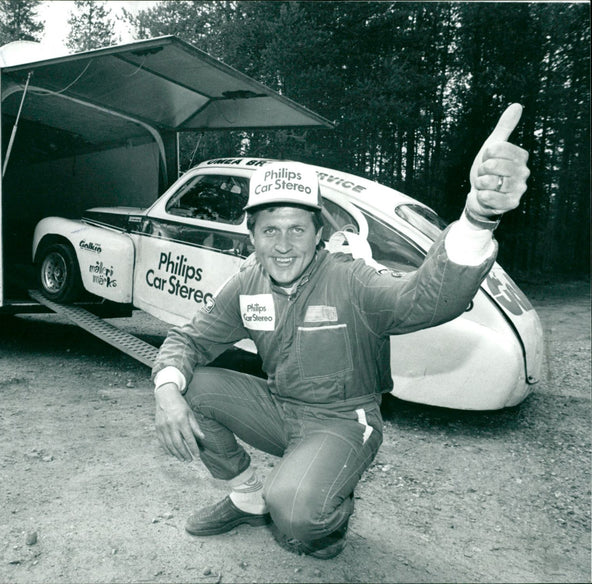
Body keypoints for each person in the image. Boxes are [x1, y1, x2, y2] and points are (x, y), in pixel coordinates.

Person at [151, 104, 531, 559]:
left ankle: (326, 507)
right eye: (270, 230)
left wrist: (477, 216)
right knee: (189, 385)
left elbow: (427, 299)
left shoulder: (352, 279)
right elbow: (188, 339)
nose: (284, 244)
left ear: (318, 233)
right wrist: (166, 392)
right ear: (251, 237)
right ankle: (246, 499)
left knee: (296, 511)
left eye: (297, 228)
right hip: (280, 409)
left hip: (342, 420)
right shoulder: (247, 282)